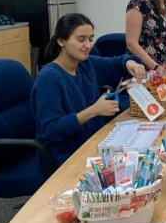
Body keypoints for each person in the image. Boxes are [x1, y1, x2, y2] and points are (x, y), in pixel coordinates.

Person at [31, 13, 146, 166]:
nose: (88, 45)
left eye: (91, 39)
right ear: (61, 40)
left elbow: (117, 62)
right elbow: (50, 131)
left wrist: (129, 63)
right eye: (81, 39)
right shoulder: (49, 78)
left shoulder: (86, 64)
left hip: (95, 142)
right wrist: (94, 110)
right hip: (68, 155)